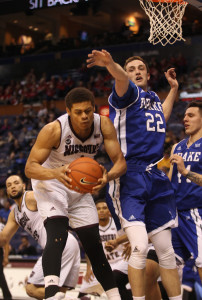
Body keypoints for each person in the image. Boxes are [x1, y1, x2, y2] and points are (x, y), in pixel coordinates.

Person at [86, 49, 181, 300]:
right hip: (130, 175)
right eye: (131, 69)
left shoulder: (150, 98)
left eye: (141, 68)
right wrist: (111, 65)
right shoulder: (127, 94)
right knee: (138, 247)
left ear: (148, 74)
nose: (136, 72)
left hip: (155, 177)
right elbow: (119, 78)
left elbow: (163, 115)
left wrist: (173, 89)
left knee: (166, 250)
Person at [25, 87, 127, 300]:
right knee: (58, 234)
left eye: (88, 111)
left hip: (79, 186)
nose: (85, 116)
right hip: (51, 180)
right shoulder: (53, 130)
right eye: (79, 112)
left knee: (93, 243)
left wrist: (107, 177)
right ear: (68, 111)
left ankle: (114, 296)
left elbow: (120, 163)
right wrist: (54, 172)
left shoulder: (103, 125)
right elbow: (30, 168)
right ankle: (52, 294)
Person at [0, 174, 81, 300]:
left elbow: (57, 200)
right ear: (7, 192)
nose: (13, 187)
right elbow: (3, 239)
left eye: (16, 183)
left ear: (23, 186)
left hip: (59, 244)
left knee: (31, 288)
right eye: (9, 185)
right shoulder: (14, 214)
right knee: (60, 291)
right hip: (68, 243)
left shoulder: (31, 196)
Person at [169, 100, 202, 283]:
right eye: (184, 115)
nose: (185, 119)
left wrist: (185, 172)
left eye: (191, 115)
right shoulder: (177, 146)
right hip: (173, 214)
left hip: (196, 212)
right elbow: (169, 182)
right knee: (157, 268)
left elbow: (182, 173)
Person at [78, 200, 132, 300]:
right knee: (82, 292)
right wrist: (89, 268)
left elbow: (131, 238)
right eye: (98, 209)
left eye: (104, 208)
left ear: (109, 210)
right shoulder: (92, 228)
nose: (101, 211)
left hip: (121, 261)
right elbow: (89, 250)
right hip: (103, 264)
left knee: (116, 283)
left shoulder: (118, 224)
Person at [0, 220, 12, 300]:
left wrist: (6, 257)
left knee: (0, 275)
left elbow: (6, 242)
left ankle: (7, 296)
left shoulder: (1, 226)